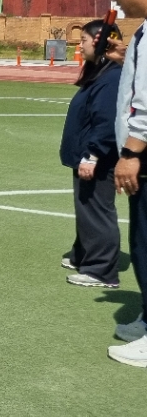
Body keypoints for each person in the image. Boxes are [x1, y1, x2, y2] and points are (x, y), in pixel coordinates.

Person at [104, 0, 147, 365]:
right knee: (141, 240)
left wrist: (132, 153)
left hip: (143, 154)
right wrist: (126, 56)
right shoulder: (144, 31)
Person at [59, 18, 123, 287]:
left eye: (84, 40)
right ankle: (84, 254)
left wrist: (92, 155)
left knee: (97, 211)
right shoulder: (99, 73)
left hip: (99, 158)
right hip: (87, 154)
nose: (79, 46)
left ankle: (101, 271)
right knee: (86, 208)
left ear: (100, 43)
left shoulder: (112, 78)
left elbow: (106, 121)